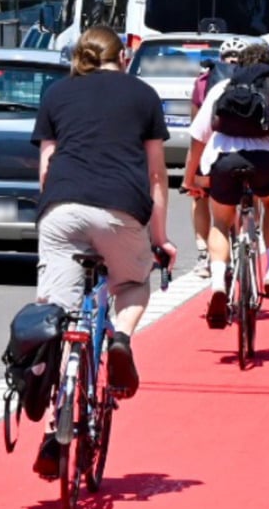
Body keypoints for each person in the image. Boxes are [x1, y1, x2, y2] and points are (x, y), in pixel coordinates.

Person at [30, 25, 177, 477]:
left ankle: (57, 422)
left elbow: (46, 168)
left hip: (62, 210)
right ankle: (120, 339)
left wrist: (56, 211)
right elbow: (156, 177)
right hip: (120, 211)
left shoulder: (57, 94)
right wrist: (160, 239)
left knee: (56, 315)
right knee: (132, 281)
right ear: (124, 55)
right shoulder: (143, 95)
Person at [183, 43, 269, 328]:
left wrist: (189, 178)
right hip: (266, 163)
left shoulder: (222, 88)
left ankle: (218, 283)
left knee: (220, 221)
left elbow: (197, 138)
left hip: (223, 161)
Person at [185, 36, 249, 278]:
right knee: (250, 196)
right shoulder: (257, 80)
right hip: (248, 152)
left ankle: (204, 253)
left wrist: (189, 174)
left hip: (212, 151)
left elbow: (195, 125)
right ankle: (249, 239)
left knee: (198, 194)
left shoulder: (205, 81)